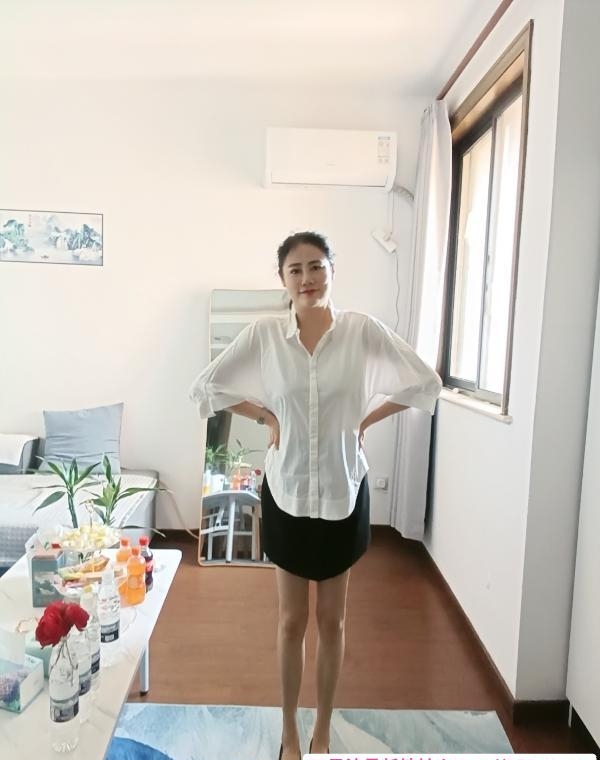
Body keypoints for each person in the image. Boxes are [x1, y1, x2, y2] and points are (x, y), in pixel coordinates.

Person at [190, 231, 442, 760]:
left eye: (316, 266)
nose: (307, 278)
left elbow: (424, 382)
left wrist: (366, 420)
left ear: (331, 270)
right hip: (286, 493)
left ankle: (322, 732)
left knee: (333, 621)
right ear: (282, 279)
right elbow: (208, 386)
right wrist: (266, 416)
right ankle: (289, 730)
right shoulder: (264, 336)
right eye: (295, 270)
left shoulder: (362, 332)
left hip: (342, 492)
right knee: (290, 622)